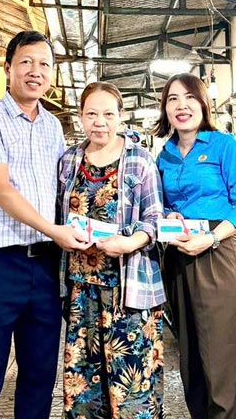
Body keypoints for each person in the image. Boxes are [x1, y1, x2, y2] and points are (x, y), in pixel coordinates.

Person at [0, 30, 89, 419]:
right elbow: (2, 190)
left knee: (39, 373)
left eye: (44, 64)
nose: (36, 71)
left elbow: (64, 191)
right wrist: (54, 230)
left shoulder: (53, 127)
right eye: (27, 62)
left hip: (46, 266)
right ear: (8, 68)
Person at [152, 72, 236, 419]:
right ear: (165, 109)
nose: (181, 106)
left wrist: (211, 238)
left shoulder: (225, 147)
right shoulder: (165, 155)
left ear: (203, 104)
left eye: (189, 97)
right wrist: (169, 217)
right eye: (172, 99)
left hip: (218, 253)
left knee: (220, 358)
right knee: (191, 358)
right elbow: (160, 204)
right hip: (179, 256)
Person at [57, 82, 165, 418]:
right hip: (81, 290)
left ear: (121, 116)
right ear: (81, 116)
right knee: (84, 386)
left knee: (130, 384)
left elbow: (155, 219)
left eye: (108, 114)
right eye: (91, 114)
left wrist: (129, 242)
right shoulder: (69, 160)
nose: (99, 122)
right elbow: (58, 215)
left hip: (127, 288)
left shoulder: (140, 161)